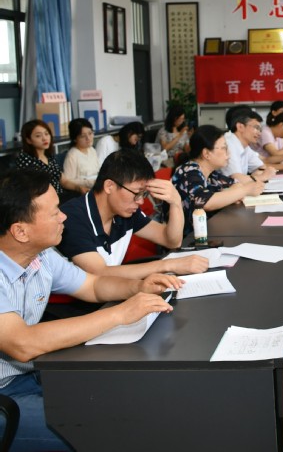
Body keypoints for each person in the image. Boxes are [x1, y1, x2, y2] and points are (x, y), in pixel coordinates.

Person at [0, 170, 181, 451]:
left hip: (35, 373)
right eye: (54, 212)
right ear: (20, 231)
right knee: (93, 431)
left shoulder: (42, 256)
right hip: (5, 393)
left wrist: (138, 287)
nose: (64, 217)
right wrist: (119, 314)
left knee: (125, 404)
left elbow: (93, 286)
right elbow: (23, 343)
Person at [56, 149, 207, 280]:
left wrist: (175, 203)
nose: (141, 201)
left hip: (113, 293)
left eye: (144, 194)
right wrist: (168, 265)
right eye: (137, 193)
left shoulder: (125, 210)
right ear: (109, 186)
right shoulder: (71, 217)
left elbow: (171, 241)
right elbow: (100, 274)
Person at [172, 125, 269, 231]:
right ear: (206, 154)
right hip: (188, 237)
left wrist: (233, 193)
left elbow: (236, 184)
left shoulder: (211, 174)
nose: (229, 153)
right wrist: (244, 191)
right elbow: (205, 202)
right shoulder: (188, 171)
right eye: (224, 148)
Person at [15, 119, 82, 198]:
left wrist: (80, 188)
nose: (44, 138)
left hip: (60, 195)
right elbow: (32, 190)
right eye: (38, 136)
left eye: (46, 134)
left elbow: (64, 181)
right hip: (46, 200)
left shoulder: (49, 156)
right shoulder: (25, 159)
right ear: (28, 140)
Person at [221, 108, 274, 184]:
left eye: (260, 129)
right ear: (240, 127)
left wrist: (257, 176)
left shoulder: (245, 147)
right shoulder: (228, 144)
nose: (259, 133)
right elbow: (236, 179)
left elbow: (262, 168)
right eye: (256, 128)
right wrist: (262, 177)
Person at [62, 118, 100, 194]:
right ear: (75, 139)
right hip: (83, 193)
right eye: (83, 136)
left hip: (96, 187)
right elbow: (67, 181)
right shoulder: (72, 155)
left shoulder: (92, 150)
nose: (88, 138)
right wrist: (88, 182)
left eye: (90, 133)